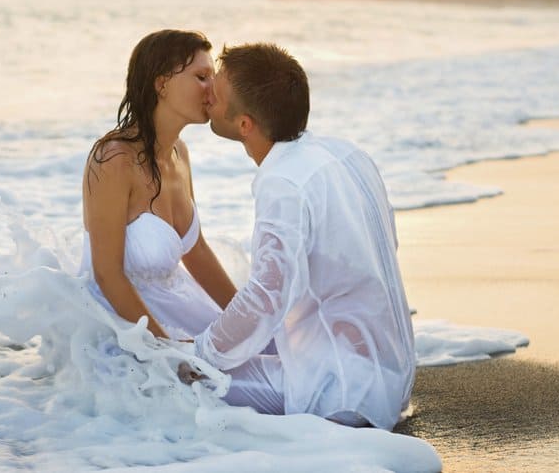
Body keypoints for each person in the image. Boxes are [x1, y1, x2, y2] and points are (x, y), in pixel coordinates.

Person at [194, 43, 416, 430]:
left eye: (218, 90)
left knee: (176, 380)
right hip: (390, 378)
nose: (208, 90)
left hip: (338, 393)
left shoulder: (284, 182)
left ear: (245, 124)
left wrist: (199, 353)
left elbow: (266, 296)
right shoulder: (347, 154)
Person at [79, 29, 237, 340]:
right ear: (162, 84)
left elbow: (197, 252)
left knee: (278, 351)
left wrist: (250, 319)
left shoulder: (180, 152)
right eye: (202, 77)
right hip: (123, 326)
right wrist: (167, 349)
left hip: (179, 306)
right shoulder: (113, 160)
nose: (213, 89)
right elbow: (107, 275)